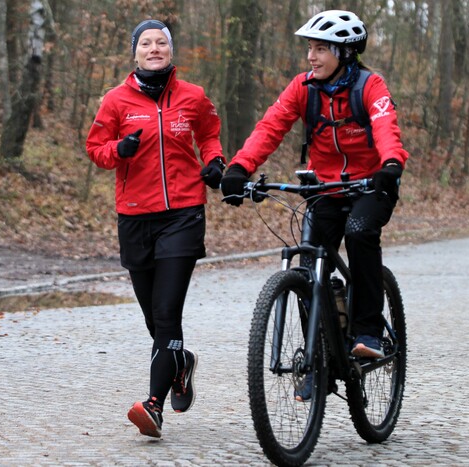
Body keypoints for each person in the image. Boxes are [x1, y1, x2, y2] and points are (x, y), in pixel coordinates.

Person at [221, 10, 409, 362]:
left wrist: (391, 164)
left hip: (372, 183)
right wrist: (239, 168)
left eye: (321, 49)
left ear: (345, 52)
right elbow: (270, 127)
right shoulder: (302, 87)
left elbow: (386, 127)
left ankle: (368, 330)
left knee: (359, 232)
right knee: (309, 263)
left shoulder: (370, 86)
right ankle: (317, 358)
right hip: (323, 187)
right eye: (310, 48)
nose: (311, 56)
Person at [86, 19, 225, 438]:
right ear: (135, 52)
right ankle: (180, 362)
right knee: (154, 318)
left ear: (170, 50)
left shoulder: (193, 96)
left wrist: (215, 162)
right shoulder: (115, 100)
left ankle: (153, 406)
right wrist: (118, 149)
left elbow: (210, 135)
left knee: (167, 313)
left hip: (183, 213)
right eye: (145, 43)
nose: (154, 48)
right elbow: (95, 149)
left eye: (161, 42)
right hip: (134, 217)